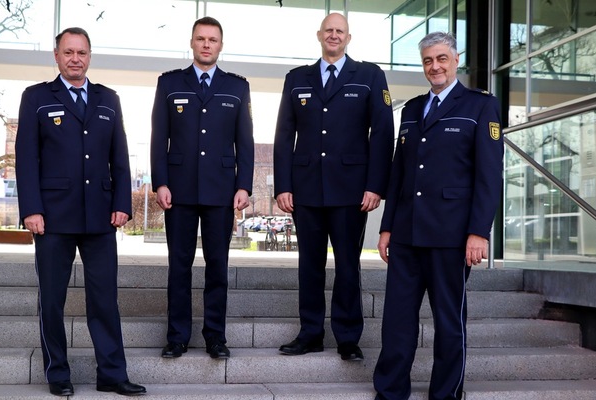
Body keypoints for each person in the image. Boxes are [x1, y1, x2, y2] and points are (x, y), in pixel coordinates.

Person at [15, 27, 146, 397]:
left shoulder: (108, 98)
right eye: (69, 52)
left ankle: (112, 374)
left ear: (90, 56)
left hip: (100, 217)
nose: (76, 59)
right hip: (52, 217)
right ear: (56, 55)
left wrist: (122, 203)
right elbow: (26, 157)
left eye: (82, 52)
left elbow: (120, 157)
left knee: (104, 300)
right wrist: (31, 209)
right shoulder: (37, 97)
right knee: (52, 300)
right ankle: (58, 373)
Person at [373, 32, 503, 400]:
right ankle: (390, 390)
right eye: (428, 60)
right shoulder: (412, 109)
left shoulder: (480, 106)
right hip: (407, 233)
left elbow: (489, 175)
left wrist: (479, 232)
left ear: (456, 60)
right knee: (397, 318)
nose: (435, 66)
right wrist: (387, 227)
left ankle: (446, 394)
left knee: (448, 321)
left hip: (452, 234)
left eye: (442, 58)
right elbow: (399, 172)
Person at [273, 13, 394, 361]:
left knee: (348, 265)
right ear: (319, 35)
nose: (334, 35)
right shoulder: (297, 78)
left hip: (352, 191)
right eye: (329, 30)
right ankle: (310, 333)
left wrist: (376, 186)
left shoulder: (370, 76)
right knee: (309, 265)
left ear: (348, 38)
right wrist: (283, 185)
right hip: (306, 189)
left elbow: (382, 132)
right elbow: (284, 134)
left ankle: (348, 338)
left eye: (340, 31)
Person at [150, 16, 254, 360]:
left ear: (220, 45)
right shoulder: (169, 83)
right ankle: (177, 337)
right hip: (178, 191)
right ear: (192, 42)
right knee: (179, 266)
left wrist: (244, 185)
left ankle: (215, 337)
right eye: (201, 38)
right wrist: (160, 182)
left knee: (217, 267)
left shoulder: (237, 87)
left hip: (221, 191)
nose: (206, 44)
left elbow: (245, 142)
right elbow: (158, 138)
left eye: (212, 39)